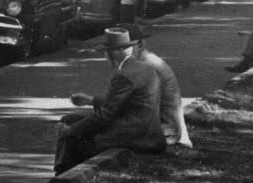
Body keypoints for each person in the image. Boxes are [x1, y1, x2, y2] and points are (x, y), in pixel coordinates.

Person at [52, 28, 166, 178]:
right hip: (147, 130)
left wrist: (70, 130)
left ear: (117, 52)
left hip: (135, 136)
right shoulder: (144, 68)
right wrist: (91, 100)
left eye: (107, 51)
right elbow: (124, 102)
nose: (105, 56)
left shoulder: (123, 76)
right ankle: (63, 173)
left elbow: (103, 117)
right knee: (70, 119)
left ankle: (64, 174)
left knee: (77, 134)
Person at [123, 23, 192, 148]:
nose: (119, 53)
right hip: (168, 128)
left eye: (124, 48)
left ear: (139, 45)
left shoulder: (147, 66)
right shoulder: (146, 60)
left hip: (168, 133)